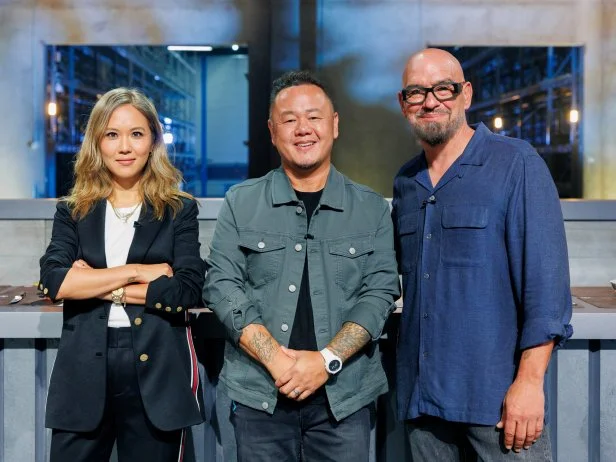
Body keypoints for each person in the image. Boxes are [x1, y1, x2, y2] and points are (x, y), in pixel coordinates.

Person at [202, 70, 400, 462]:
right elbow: (222, 285)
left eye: (314, 117)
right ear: (272, 131)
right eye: (289, 119)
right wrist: (275, 359)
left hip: (344, 399)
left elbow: (379, 294)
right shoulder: (241, 201)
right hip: (260, 395)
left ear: (334, 125)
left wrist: (327, 361)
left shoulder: (371, 209)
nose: (303, 129)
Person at [392, 48, 573, 461]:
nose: (430, 101)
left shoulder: (516, 163)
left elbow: (546, 291)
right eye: (417, 92)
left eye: (443, 88)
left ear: (467, 94)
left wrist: (529, 383)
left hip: (498, 405)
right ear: (403, 104)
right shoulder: (406, 182)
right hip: (424, 405)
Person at [39, 87, 205, 462]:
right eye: (112, 134)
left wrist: (93, 283)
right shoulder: (73, 210)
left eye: (136, 134)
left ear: (153, 142)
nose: (125, 147)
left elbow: (186, 290)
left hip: (157, 371)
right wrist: (136, 272)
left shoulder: (178, 210)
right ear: (97, 142)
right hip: (84, 371)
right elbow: (55, 280)